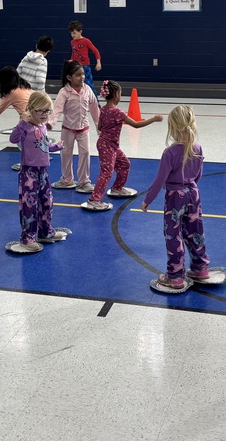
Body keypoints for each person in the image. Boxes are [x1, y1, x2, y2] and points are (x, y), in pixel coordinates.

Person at [140, 105, 211, 294]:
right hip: (193, 194)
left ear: (172, 127)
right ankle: (201, 268)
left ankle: (175, 276)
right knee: (195, 231)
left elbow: (159, 180)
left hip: (174, 198)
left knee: (173, 235)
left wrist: (148, 200)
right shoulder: (198, 148)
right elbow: (198, 176)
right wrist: (190, 187)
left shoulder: (169, 153)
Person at [84, 80, 163, 211]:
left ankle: (117, 188)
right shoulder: (117, 112)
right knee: (106, 172)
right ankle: (94, 199)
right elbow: (136, 125)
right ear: (116, 95)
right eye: (120, 93)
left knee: (124, 164)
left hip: (109, 145)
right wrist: (153, 119)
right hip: (108, 146)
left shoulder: (103, 109)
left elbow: (100, 127)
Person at [8, 91, 65, 253]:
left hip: (43, 172)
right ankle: (28, 237)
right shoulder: (25, 127)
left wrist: (57, 147)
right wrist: (22, 122)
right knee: (29, 206)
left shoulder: (43, 127)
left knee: (47, 202)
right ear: (31, 109)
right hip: (29, 173)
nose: (45, 114)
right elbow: (13, 139)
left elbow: (44, 145)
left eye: (48, 111)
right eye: (41, 110)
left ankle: (46, 231)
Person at [49, 60, 100, 193]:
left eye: (83, 74)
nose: (82, 77)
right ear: (69, 77)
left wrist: (99, 126)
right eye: (78, 75)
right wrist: (51, 122)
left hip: (84, 129)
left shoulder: (87, 89)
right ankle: (67, 179)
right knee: (66, 154)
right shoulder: (64, 92)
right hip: (68, 129)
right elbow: (57, 109)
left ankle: (84, 181)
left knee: (85, 153)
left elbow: (94, 108)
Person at [0, 66, 34, 171]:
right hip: (39, 116)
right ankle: (41, 155)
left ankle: (27, 162)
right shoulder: (25, 87)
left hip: (28, 119)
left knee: (19, 139)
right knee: (34, 139)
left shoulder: (11, 93)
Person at [68, 20, 102, 90]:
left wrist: (98, 62)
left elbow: (95, 51)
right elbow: (73, 53)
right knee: (76, 84)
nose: (72, 35)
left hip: (85, 65)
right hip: (76, 66)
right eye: (71, 33)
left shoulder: (86, 41)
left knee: (89, 84)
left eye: (74, 33)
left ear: (80, 32)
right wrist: (71, 61)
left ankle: (93, 97)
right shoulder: (72, 42)